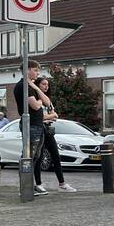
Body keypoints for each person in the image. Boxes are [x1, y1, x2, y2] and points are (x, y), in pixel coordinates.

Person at [13, 60, 53, 196]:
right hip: (30, 125)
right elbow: (36, 106)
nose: (37, 73)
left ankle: (30, 185)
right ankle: (24, 187)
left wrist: (36, 89)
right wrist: (39, 100)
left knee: (36, 156)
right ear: (27, 70)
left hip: (38, 124)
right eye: (35, 70)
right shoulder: (23, 86)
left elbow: (48, 103)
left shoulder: (32, 87)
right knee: (28, 155)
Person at [34, 76, 77, 192]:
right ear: (37, 86)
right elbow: (40, 117)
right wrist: (49, 116)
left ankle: (62, 184)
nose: (46, 86)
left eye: (47, 84)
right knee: (39, 157)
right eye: (43, 84)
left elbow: (55, 116)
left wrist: (48, 116)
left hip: (48, 130)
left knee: (56, 156)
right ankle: (38, 183)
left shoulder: (48, 100)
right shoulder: (35, 99)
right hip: (39, 130)